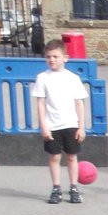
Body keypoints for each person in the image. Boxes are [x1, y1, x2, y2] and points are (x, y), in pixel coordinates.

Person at [32, 39, 88, 205]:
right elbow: (41, 104)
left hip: (70, 124)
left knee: (71, 157)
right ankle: (56, 188)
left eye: (56, 56)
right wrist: (44, 126)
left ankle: (74, 188)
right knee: (54, 157)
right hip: (52, 125)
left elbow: (79, 103)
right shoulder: (42, 78)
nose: (52, 60)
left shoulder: (72, 78)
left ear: (65, 57)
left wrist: (81, 127)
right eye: (48, 56)